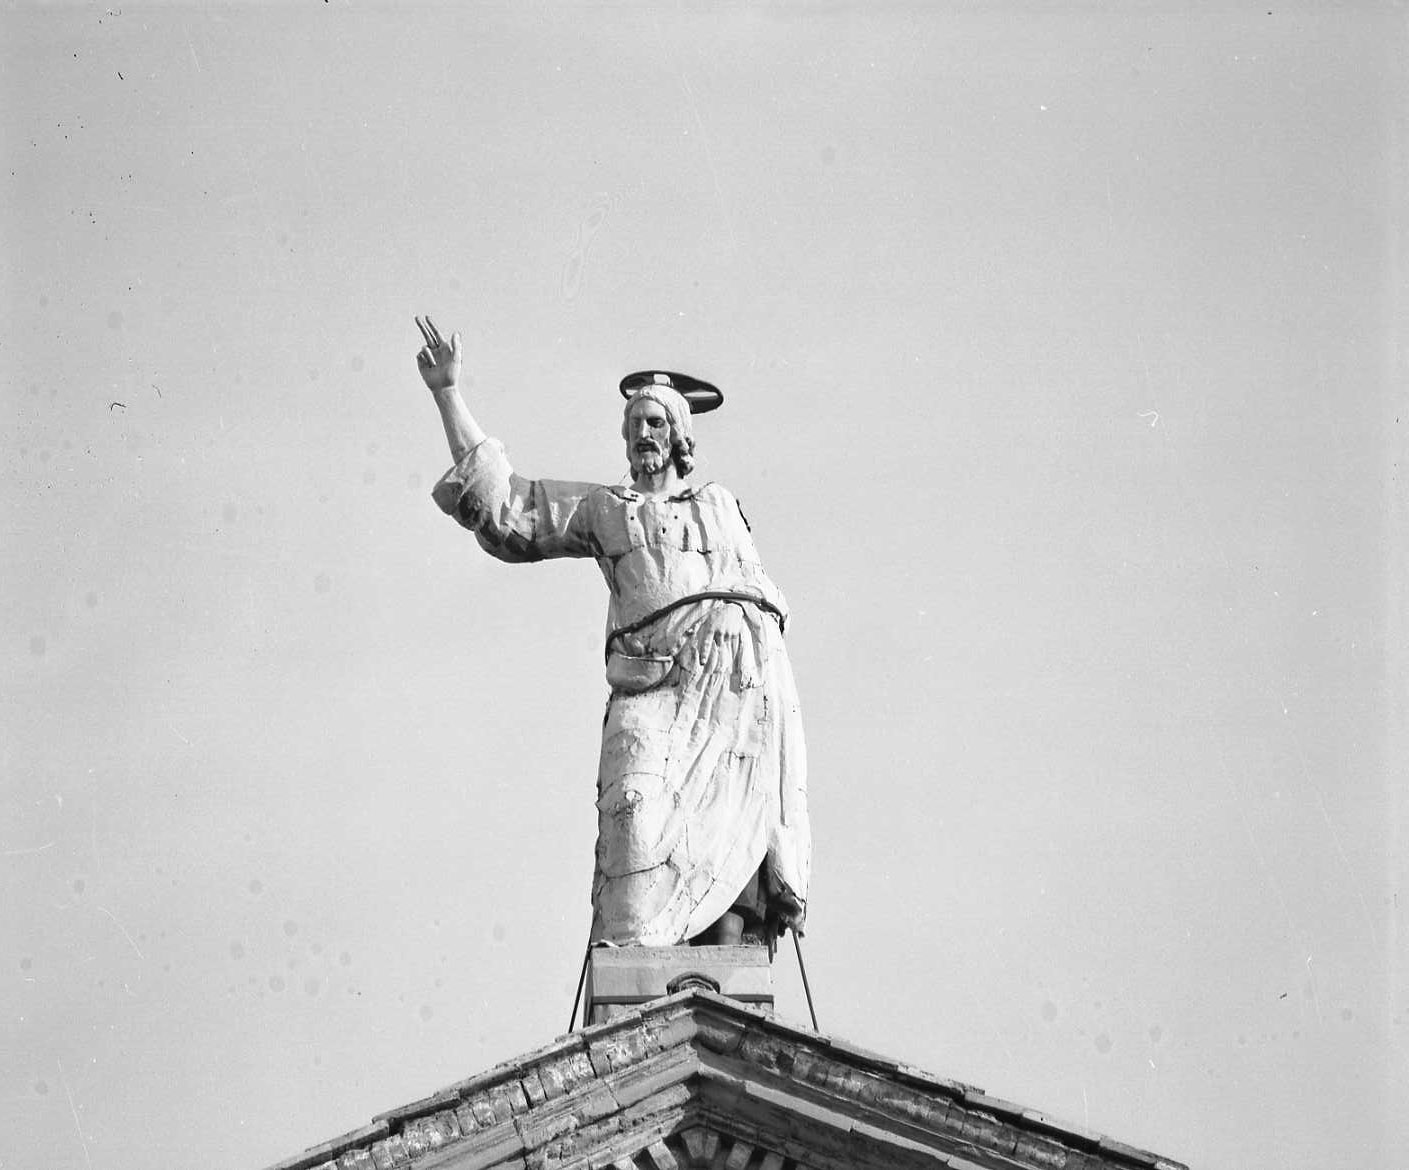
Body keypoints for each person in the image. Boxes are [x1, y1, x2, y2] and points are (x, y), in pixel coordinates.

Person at [415, 317, 810, 947]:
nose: (642, 435)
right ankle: (636, 977)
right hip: (650, 688)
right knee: (634, 804)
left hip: (733, 697)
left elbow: (757, 598)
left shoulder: (718, 504)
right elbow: (514, 509)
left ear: (680, 433)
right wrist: (448, 393)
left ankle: (724, 966)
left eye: (655, 423)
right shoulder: (606, 508)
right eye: (633, 427)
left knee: (728, 838)